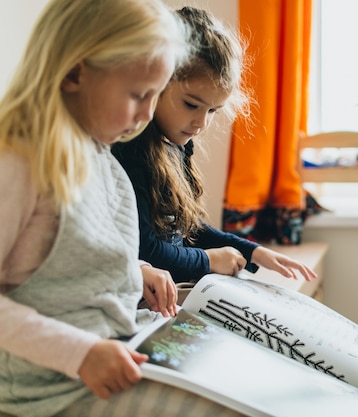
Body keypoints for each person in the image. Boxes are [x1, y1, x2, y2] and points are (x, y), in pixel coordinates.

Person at [0, 0, 244, 416]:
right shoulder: (19, 161)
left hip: (118, 345)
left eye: (156, 95)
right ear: (76, 72)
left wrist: (137, 272)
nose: (148, 113)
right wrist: (79, 353)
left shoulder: (101, 157)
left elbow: (68, 264)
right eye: (138, 95)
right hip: (50, 387)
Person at [112, 7, 318, 285]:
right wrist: (209, 260)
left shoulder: (176, 143)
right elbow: (144, 251)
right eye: (191, 105)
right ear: (157, 82)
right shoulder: (131, 148)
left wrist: (253, 251)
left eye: (213, 111)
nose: (201, 123)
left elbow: (186, 229)